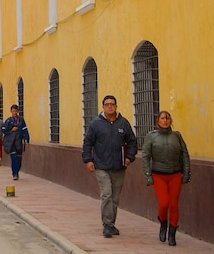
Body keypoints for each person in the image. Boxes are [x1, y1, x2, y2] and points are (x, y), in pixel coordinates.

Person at [82, 94, 137, 238]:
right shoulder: (96, 124)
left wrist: (129, 157)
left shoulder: (123, 123)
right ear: (103, 107)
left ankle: (111, 224)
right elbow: (88, 143)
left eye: (112, 104)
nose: (110, 106)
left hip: (119, 166)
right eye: (107, 104)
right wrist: (88, 160)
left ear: (116, 106)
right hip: (101, 165)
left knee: (115, 196)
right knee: (106, 193)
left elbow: (132, 142)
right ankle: (107, 224)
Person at [141, 111, 191, 246]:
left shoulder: (177, 136)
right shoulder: (151, 137)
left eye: (167, 118)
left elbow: (184, 155)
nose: (165, 120)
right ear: (158, 121)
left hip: (175, 175)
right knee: (164, 203)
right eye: (162, 118)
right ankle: (163, 223)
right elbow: (145, 157)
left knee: (174, 205)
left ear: (171, 121)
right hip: (158, 175)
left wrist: (186, 173)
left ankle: (172, 234)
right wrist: (148, 176)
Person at [1, 104, 30, 181]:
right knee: (13, 157)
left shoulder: (21, 120)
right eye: (13, 111)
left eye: (16, 111)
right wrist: (11, 131)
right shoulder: (8, 121)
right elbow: (3, 130)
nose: (14, 112)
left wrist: (27, 139)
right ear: (11, 111)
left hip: (19, 142)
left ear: (18, 111)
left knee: (19, 159)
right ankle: (14, 173)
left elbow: (25, 129)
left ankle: (17, 171)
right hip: (11, 143)